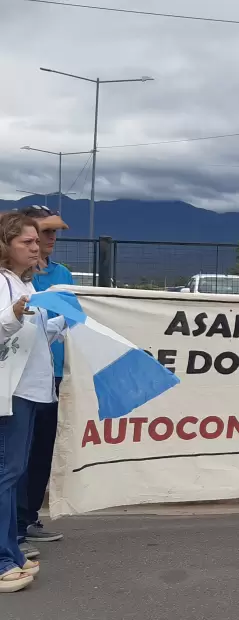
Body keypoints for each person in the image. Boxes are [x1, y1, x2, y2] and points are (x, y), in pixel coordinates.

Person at [0, 212, 67, 592]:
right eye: (26, 241)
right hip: (12, 393)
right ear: (6, 244)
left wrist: (62, 322)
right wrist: (13, 313)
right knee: (6, 476)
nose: (36, 246)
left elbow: (31, 336)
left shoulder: (20, 284)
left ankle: (9, 551)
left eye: (36, 241)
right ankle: (2, 557)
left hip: (27, 392)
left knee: (12, 475)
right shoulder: (4, 284)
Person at [15, 207, 71, 553]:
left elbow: (72, 316)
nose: (47, 241)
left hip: (51, 373)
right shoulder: (14, 277)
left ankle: (27, 517)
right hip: (17, 378)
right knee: (14, 456)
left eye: (51, 234)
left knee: (39, 451)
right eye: (40, 234)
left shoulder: (61, 273)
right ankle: (13, 531)